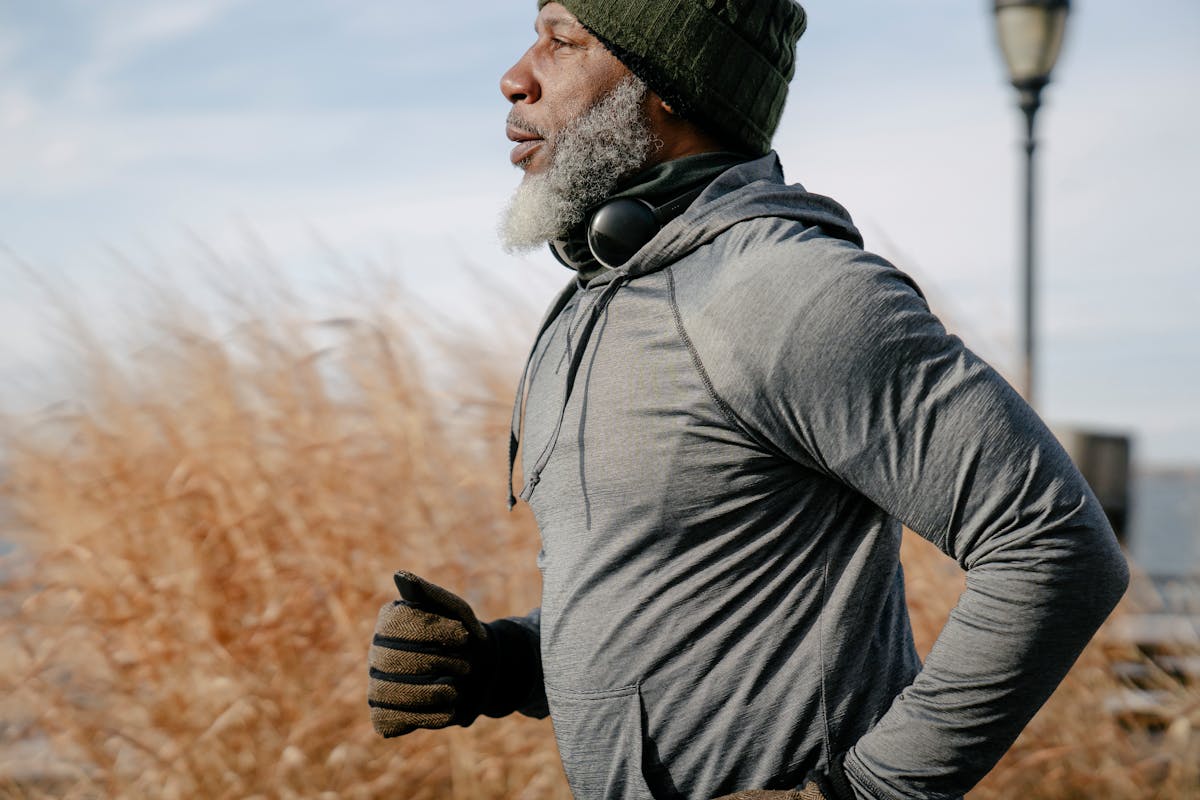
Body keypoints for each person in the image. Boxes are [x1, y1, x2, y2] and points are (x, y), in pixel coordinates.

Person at [367, 1, 1130, 798]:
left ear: (671, 86)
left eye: (562, 40)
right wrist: (503, 664)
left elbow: (1055, 545)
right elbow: (675, 609)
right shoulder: (600, 298)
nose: (515, 78)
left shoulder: (792, 292)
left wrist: (867, 791)